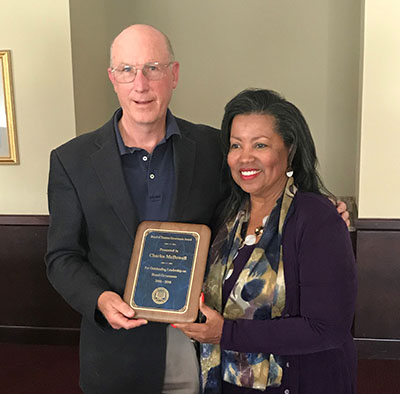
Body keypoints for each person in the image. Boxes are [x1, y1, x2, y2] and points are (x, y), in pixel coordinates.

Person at [45, 24, 229, 394]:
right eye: (127, 70)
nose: (140, 84)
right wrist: (99, 299)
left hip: (195, 341)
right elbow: (62, 256)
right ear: (113, 78)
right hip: (116, 350)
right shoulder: (72, 160)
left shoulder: (213, 147)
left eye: (153, 68)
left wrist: (321, 204)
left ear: (173, 75)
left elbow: (250, 207)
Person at [175, 89, 357, 394]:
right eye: (236, 145)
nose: (245, 157)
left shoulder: (315, 219)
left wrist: (225, 333)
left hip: (299, 383)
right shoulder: (228, 215)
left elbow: (326, 328)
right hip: (226, 380)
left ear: (290, 150)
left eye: (260, 145)